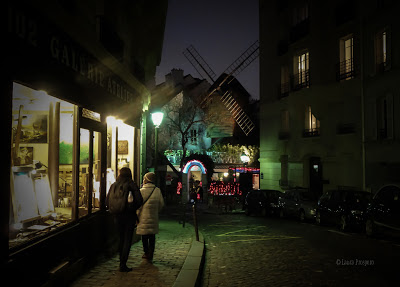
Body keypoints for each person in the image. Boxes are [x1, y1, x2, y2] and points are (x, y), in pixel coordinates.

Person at [106, 167, 143, 272]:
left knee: (120, 239)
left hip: (116, 216)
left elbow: (106, 201)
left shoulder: (114, 185)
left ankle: (120, 261)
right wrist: (132, 208)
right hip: (129, 216)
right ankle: (123, 263)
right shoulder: (131, 184)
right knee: (127, 239)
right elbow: (139, 200)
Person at [136, 172, 164, 261]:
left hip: (143, 218)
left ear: (146, 180)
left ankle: (146, 252)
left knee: (144, 236)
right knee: (152, 237)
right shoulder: (157, 190)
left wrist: (137, 216)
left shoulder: (141, 191)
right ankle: (151, 253)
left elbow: (138, 206)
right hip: (153, 217)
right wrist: (156, 211)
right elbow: (161, 204)